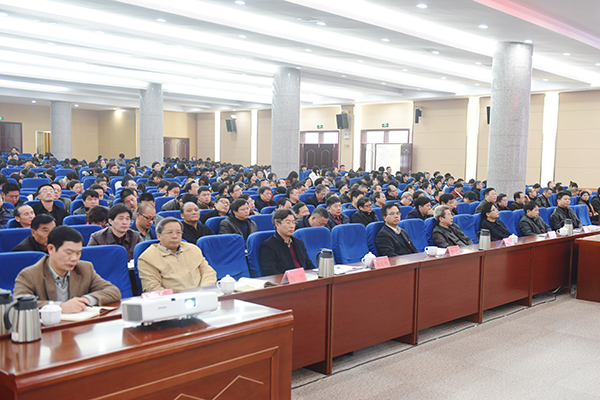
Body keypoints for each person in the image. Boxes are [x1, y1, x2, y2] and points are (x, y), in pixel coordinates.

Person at [14, 225, 121, 312]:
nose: (74, 258)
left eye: (78, 253)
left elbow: (113, 291)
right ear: (51, 249)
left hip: (79, 327)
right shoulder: (30, 274)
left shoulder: (85, 268)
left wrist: (86, 300)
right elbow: (18, 304)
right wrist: (60, 307)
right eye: (69, 253)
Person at [137, 217, 217, 292]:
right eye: (170, 232)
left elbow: (208, 273)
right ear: (159, 236)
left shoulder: (193, 249)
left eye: (178, 233)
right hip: (172, 299)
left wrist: (203, 291)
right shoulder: (147, 258)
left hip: (201, 294)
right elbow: (152, 288)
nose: (175, 236)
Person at [259, 209, 316, 276]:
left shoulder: (299, 243)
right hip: (285, 280)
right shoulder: (268, 246)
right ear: (277, 224)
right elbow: (270, 272)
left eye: (293, 222)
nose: (292, 226)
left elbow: (309, 265)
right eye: (288, 223)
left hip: (304, 278)